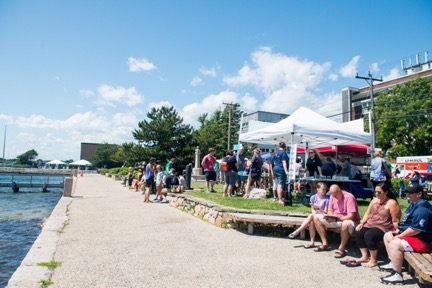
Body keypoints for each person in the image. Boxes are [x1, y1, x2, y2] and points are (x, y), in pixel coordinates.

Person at [379, 182, 432, 284]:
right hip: (417, 237)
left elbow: (416, 229)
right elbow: (407, 222)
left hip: (425, 241)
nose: (408, 194)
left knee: (395, 243)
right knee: (388, 235)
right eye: (407, 192)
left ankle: (397, 275)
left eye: (411, 192)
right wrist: (399, 231)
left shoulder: (422, 208)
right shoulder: (413, 204)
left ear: (419, 194)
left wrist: (400, 236)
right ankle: (393, 263)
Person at [352, 183, 401, 268]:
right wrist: (362, 223)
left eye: (379, 192)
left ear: (386, 192)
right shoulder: (374, 200)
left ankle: (373, 260)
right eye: (375, 192)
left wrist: (396, 230)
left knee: (369, 235)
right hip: (370, 223)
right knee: (358, 232)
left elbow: (395, 219)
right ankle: (364, 256)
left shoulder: (391, 203)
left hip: (383, 226)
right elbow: (367, 213)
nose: (377, 194)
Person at [313, 184, 360, 257]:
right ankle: (325, 243)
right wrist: (330, 216)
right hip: (335, 219)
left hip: (348, 220)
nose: (334, 197)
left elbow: (351, 216)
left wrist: (337, 219)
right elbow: (330, 210)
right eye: (332, 195)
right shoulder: (332, 196)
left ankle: (341, 248)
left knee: (345, 224)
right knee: (316, 217)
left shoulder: (349, 197)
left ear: (340, 191)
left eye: (335, 195)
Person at [288, 182, 329, 249]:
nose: (324, 191)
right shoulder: (313, 197)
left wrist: (319, 208)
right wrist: (315, 214)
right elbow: (312, 210)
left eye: (325, 189)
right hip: (315, 216)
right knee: (312, 221)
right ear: (317, 189)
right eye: (323, 189)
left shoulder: (327, 199)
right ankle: (312, 242)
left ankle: (297, 231)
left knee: (312, 217)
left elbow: (325, 212)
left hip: (323, 216)